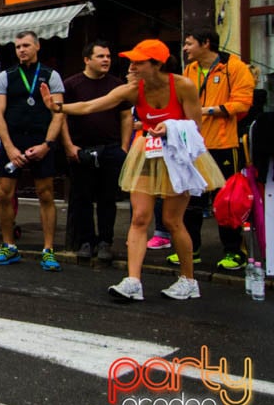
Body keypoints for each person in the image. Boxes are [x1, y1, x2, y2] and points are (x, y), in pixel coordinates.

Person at [41, 39, 225, 300]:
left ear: (157, 64)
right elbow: (93, 105)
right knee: (139, 218)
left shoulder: (183, 86)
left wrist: (170, 128)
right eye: (131, 61)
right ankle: (133, 280)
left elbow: (195, 127)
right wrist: (57, 107)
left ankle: (189, 280)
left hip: (178, 157)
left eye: (139, 62)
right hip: (147, 154)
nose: (132, 66)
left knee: (173, 221)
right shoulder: (132, 89)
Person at [163, 29, 254, 271]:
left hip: (224, 145)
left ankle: (234, 252)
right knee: (191, 200)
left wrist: (208, 110)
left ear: (205, 44)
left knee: (226, 201)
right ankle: (191, 250)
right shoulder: (190, 70)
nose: (184, 48)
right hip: (194, 146)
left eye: (189, 43)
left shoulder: (233, 66)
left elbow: (243, 102)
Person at [0, 31, 65, 271]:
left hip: (41, 141)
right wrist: (10, 148)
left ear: (37, 46)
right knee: (4, 193)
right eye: (17, 47)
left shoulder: (51, 75)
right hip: (12, 141)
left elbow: (58, 113)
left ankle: (48, 250)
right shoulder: (6, 76)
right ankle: (9, 246)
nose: (21, 50)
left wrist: (47, 145)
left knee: (45, 194)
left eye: (25, 45)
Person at [59, 41, 131, 263]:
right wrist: (69, 146)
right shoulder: (71, 84)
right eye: (100, 56)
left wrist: (124, 148)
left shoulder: (117, 85)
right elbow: (60, 115)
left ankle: (105, 242)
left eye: (108, 56)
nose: (106, 60)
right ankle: (86, 242)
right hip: (81, 150)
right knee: (82, 199)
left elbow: (126, 116)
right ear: (87, 59)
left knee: (107, 199)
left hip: (110, 150)